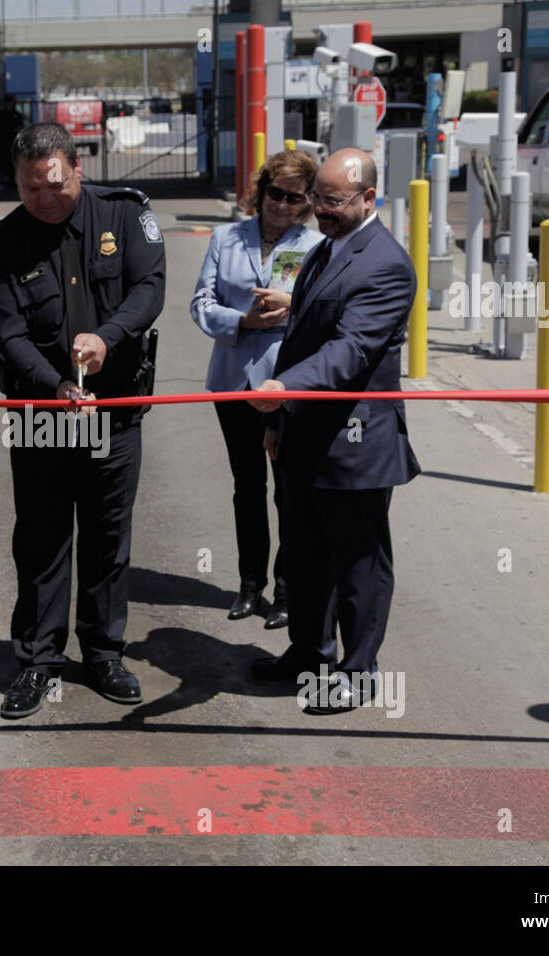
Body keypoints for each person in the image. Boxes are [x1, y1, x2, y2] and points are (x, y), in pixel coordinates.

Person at [0, 122, 165, 719]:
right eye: (32, 189)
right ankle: (38, 661)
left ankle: (105, 653)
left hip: (111, 410)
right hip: (43, 413)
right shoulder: (1, 244)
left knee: (109, 538)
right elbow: (7, 334)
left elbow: (149, 287)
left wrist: (108, 339)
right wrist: (53, 382)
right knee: (41, 539)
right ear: (18, 182)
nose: (46, 198)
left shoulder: (125, 215)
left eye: (55, 184)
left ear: (76, 167)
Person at [249, 147, 420, 714]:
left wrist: (282, 389)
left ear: (369, 198)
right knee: (303, 554)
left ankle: (358, 671)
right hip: (303, 433)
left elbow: (350, 351)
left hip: (355, 443)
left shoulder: (386, 265)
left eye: (332, 200)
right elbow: (301, 335)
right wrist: (281, 416)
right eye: (315, 198)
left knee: (357, 565)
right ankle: (309, 652)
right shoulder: (329, 248)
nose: (319, 209)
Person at [190, 149, 323, 630]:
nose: (281, 205)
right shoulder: (227, 237)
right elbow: (200, 302)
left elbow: (328, 311)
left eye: (294, 199)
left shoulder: (315, 244)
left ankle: (288, 588)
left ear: (306, 203)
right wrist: (241, 319)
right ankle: (250, 586)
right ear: (261, 188)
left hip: (288, 378)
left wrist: (295, 304)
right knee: (246, 486)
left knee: (290, 489)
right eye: (275, 193)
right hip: (233, 378)